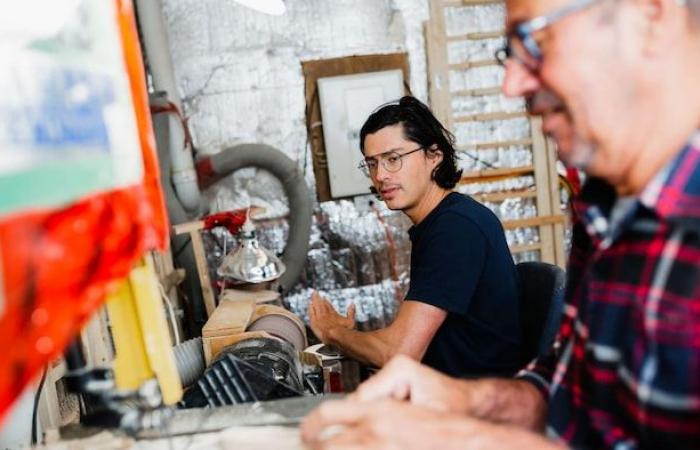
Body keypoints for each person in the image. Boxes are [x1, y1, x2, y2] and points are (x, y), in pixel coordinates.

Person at [300, 0, 700, 447]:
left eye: (536, 40)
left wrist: (464, 436)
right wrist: (470, 402)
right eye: (509, 54)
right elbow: (569, 388)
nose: (511, 84)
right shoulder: (604, 208)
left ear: (651, 16)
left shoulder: (457, 226)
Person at [307, 96, 522, 377]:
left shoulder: (456, 228)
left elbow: (398, 352)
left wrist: (333, 333)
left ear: (434, 156)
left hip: (474, 404)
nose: (380, 175)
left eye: (393, 159)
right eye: (372, 163)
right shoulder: (441, 222)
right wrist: (350, 337)